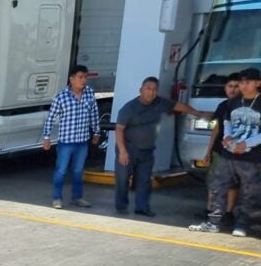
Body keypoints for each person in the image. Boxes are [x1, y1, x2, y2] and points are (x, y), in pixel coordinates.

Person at [113, 77, 210, 217]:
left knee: (145, 181)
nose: (151, 93)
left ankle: (142, 207)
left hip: (147, 150)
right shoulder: (129, 108)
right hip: (128, 149)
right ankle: (121, 206)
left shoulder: (160, 102)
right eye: (148, 89)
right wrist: (122, 151)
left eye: (154, 89)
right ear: (140, 90)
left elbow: (179, 106)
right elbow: (119, 129)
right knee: (123, 179)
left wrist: (199, 114)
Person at [43, 64, 102, 210]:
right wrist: (46, 137)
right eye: (80, 77)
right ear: (72, 79)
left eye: (85, 77)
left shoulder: (89, 94)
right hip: (66, 142)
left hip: (82, 141)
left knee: (78, 171)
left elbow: (94, 114)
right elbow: (50, 118)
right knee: (61, 170)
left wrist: (96, 132)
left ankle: (77, 197)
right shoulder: (62, 97)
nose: (83, 81)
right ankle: (57, 198)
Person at [190, 73, 241, 232]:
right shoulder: (222, 106)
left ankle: (228, 213)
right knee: (213, 182)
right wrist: (208, 151)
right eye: (229, 86)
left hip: (236, 152)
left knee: (233, 184)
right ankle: (209, 210)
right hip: (219, 151)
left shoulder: (245, 107)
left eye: (236, 86)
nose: (232, 89)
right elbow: (216, 128)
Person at [214, 67, 261, 237]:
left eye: (247, 82)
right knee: (219, 187)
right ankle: (215, 222)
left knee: (249, 192)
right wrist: (227, 137)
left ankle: (242, 224)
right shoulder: (234, 101)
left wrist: (246, 143)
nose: (243, 85)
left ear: (258, 83)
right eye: (241, 82)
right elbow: (227, 121)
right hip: (228, 154)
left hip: (252, 157)